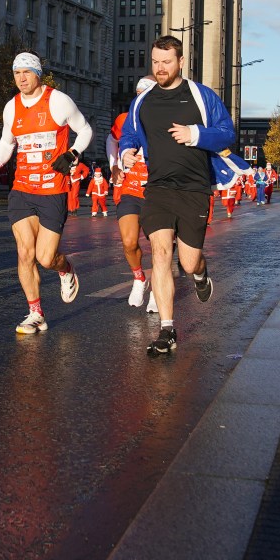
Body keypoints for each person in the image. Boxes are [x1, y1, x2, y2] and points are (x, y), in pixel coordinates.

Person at [119, 35, 247, 357]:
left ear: (180, 62)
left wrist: (196, 134)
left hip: (194, 188)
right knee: (160, 255)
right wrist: (126, 153)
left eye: (166, 62)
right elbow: (130, 133)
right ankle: (167, 330)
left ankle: (201, 274)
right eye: (155, 62)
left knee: (188, 262)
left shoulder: (201, 96)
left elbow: (227, 132)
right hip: (159, 187)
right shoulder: (142, 101)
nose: (160, 68)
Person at [0, 51, 92, 335]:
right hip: (22, 189)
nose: (21, 78)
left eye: (26, 72)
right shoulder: (11, 107)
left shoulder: (58, 101)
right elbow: (8, 142)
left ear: (37, 74)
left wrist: (72, 153)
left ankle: (66, 269)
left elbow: (86, 130)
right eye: (17, 73)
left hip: (52, 190)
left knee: (46, 258)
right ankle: (35, 313)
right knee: (24, 253)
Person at [106, 75, 157, 311]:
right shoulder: (125, 119)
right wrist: (114, 164)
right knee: (128, 242)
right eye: (137, 93)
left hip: (159, 191)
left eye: (144, 94)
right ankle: (139, 279)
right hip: (131, 188)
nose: (139, 98)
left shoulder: (165, 120)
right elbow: (111, 138)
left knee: (160, 247)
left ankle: (158, 290)